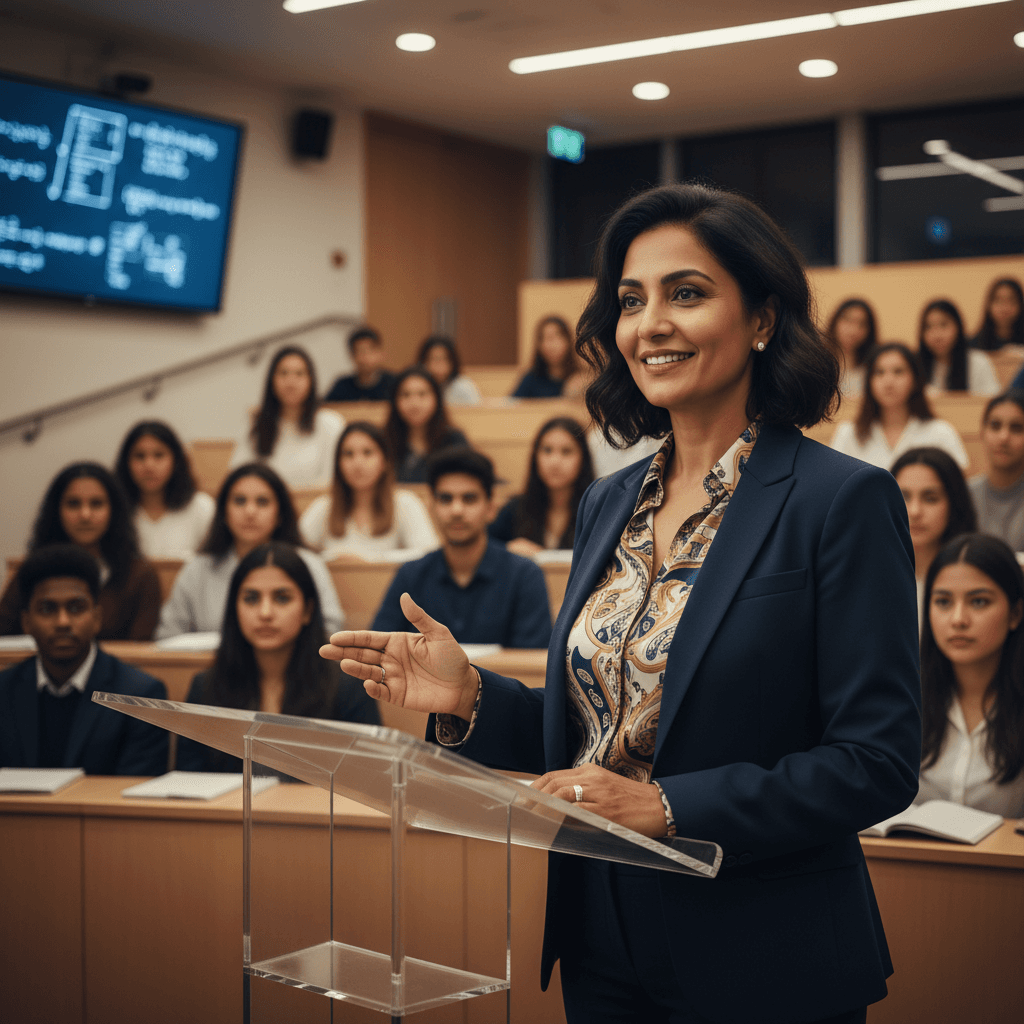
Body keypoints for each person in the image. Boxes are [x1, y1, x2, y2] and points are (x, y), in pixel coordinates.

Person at [326, 182, 921, 1024]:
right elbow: (603, 733)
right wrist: (470, 698)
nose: (651, 325)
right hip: (600, 931)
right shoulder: (609, 501)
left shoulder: (842, 500)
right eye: (632, 301)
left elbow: (877, 760)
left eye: (688, 293)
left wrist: (671, 806)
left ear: (762, 318)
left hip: (762, 946)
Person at [176, 542, 378, 773]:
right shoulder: (204, 688)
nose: (265, 613)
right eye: (251, 598)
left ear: (307, 610)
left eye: (282, 598)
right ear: (234, 609)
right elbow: (187, 782)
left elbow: (370, 778)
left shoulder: (348, 689)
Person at [0, 545, 168, 775]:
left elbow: (135, 790)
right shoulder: (3, 690)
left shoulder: (141, 696)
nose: (63, 622)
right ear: (26, 622)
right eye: (47, 609)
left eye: (76, 608)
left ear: (97, 617)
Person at [371, 448, 551, 649]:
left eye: (469, 498)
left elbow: (532, 660)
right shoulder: (410, 575)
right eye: (446, 499)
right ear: (432, 508)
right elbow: (380, 648)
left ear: (491, 508)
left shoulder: (525, 576)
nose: (456, 510)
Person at [157, 463, 343, 639]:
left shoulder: (308, 564)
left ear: (279, 514)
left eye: (262, 502)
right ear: (224, 512)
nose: (250, 511)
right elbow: (168, 636)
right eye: (239, 501)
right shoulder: (197, 569)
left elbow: (331, 630)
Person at [917, 534, 1024, 818]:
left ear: (1015, 613)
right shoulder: (906, 700)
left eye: (978, 602)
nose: (958, 620)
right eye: (943, 602)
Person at [0, 463, 160, 640]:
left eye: (96, 504)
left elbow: (141, 649)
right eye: (73, 504)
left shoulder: (140, 575)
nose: (85, 515)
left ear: (114, 511)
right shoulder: (34, 569)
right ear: (57, 510)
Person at [299, 422, 438, 560]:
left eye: (368, 453)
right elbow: (293, 551)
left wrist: (370, 560)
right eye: (348, 454)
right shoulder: (324, 506)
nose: (357, 463)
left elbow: (428, 553)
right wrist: (331, 558)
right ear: (338, 464)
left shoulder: (405, 503)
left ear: (385, 461)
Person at [831, 342, 969, 470]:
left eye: (898, 371)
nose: (888, 382)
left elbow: (957, 482)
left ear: (915, 380)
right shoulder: (848, 433)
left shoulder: (941, 432)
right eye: (879, 372)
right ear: (869, 382)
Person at [229, 345, 344, 488]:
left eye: (299, 374)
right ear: (271, 381)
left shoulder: (330, 424)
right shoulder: (254, 422)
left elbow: (332, 482)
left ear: (311, 381)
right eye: (283, 373)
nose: (291, 382)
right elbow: (238, 477)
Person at [891, 447, 978, 625]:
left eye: (930, 498)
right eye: (903, 497)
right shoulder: (868, 574)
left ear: (954, 503)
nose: (915, 511)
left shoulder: (978, 577)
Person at [489, 417, 595, 555]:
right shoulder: (514, 510)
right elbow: (483, 548)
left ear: (583, 459)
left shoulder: (598, 512)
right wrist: (506, 549)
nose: (555, 462)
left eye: (566, 451)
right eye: (547, 450)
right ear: (535, 457)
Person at [114, 420, 216, 561]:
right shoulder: (114, 509)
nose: (149, 466)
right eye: (140, 456)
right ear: (126, 463)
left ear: (176, 461)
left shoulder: (201, 507)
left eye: (159, 455)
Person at [384, 366, 469, 484]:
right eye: (405, 395)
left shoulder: (454, 440)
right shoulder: (384, 440)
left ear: (436, 399)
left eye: (422, 394)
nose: (414, 403)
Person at [968, 389, 1024, 552]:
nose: (1004, 437)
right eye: (995, 426)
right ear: (982, 433)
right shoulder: (964, 493)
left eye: (1016, 428)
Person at [917, 299, 1000, 396]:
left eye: (943, 325)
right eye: (928, 327)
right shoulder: (916, 365)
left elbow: (992, 399)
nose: (937, 335)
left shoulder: (978, 362)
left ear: (958, 327)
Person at [512, 316, 583, 398]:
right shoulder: (531, 379)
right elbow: (511, 403)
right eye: (545, 338)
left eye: (556, 337)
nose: (551, 345)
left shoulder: (580, 377)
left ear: (568, 340)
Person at [324, 326, 396, 402]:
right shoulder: (341, 386)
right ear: (352, 356)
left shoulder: (393, 384)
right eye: (360, 351)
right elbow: (326, 407)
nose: (365, 357)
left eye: (370, 350)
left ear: (380, 353)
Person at [825, 298, 877, 399]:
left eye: (862, 324)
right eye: (848, 320)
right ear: (835, 321)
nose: (854, 330)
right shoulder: (818, 362)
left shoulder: (873, 368)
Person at [417, 335, 481, 406]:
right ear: (423, 362)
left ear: (452, 362)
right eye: (433, 359)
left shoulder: (464, 387)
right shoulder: (417, 386)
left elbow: (477, 411)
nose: (438, 365)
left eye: (443, 359)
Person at [971, 277, 1024, 352]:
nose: (1004, 308)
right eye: (998, 301)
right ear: (989, 305)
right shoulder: (972, 346)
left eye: (1011, 301)